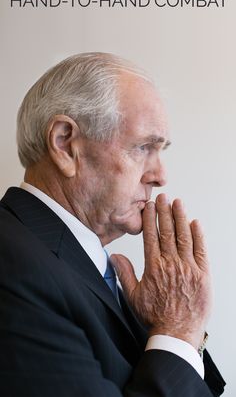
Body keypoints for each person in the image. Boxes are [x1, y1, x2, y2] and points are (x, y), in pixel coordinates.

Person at [0, 52, 225, 397]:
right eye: (143, 147)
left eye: (161, 150)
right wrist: (179, 329)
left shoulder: (71, 261)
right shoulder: (12, 263)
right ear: (65, 144)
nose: (160, 176)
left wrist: (162, 332)